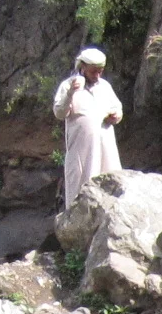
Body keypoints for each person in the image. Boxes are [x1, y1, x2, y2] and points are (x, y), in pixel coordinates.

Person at [50, 47, 122, 209]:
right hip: (81, 153)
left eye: (100, 72)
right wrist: (70, 93)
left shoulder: (104, 86)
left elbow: (118, 108)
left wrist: (116, 116)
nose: (97, 76)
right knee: (80, 193)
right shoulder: (68, 86)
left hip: (106, 150)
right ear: (82, 68)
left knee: (110, 191)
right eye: (93, 72)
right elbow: (60, 113)